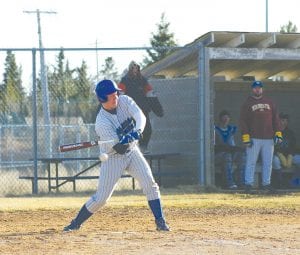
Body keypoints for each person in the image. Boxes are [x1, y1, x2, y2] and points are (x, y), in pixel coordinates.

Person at [63, 79, 170, 232]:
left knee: (150, 184)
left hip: (132, 151)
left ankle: (160, 221)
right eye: (111, 95)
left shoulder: (125, 101)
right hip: (113, 157)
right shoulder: (101, 122)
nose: (116, 97)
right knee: (101, 199)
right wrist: (124, 140)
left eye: (116, 94)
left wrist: (137, 131)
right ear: (102, 99)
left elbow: (141, 117)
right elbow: (119, 148)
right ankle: (75, 223)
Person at [239, 80, 282, 193]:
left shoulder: (270, 102)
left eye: (259, 87)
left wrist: (278, 133)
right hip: (254, 138)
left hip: (269, 138)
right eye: (255, 87)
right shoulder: (247, 103)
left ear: (262, 89)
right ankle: (248, 184)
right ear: (252, 89)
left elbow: (276, 119)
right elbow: (243, 121)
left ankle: (266, 184)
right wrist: (246, 137)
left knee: (268, 162)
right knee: (251, 161)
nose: (257, 89)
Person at [118, 61, 164, 153]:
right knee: (130, 130)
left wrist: (158, 110)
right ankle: (130, 149)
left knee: (147, 130)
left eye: (136, 68)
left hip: (143, 110)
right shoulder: (124, 81)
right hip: (129, 111)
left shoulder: (143, 81)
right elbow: (119, 96)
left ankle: (143, 148)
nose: (135, 70)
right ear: (130, 69)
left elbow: (151, 95)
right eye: (133, 68)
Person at [214, 110, 245, 189]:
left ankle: (241, 182)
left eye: (227, 118)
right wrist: (225, 148)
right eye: (223, 118)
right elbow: (214, 146)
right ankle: (229, 183)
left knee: (241, 156)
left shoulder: (231, 130)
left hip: (230, 153)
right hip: (218, 155)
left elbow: (232, 145)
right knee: (227, 156)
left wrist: (235, 149)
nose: (225, 120)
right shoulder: (215, 130)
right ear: (220, 119)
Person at [272, 113, 300, 187]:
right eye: (279, 121)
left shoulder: (290, 133)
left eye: (283, 120)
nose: (281, 122)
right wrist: (278, 154)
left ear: (287, 122)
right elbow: (270, 147)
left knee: (299, 160)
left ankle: (295, 183)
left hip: (288, 156)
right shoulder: (273, 132)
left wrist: (290, 155)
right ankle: (279, 182)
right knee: (275, 161)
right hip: (277, 155)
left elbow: (293, 147)